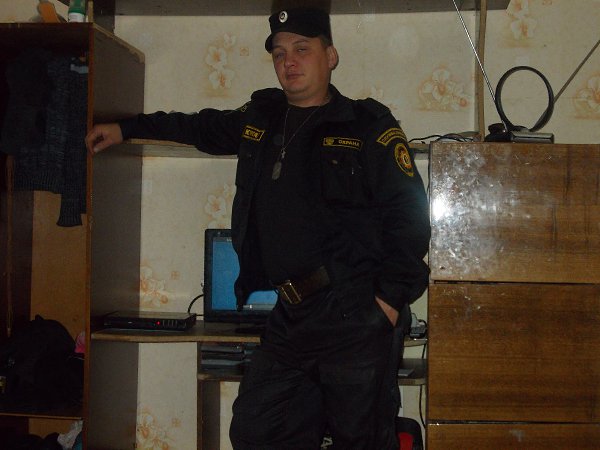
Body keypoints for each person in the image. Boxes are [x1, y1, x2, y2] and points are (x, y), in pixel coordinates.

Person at [86, 7, 430, 450]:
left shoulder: (367, 125)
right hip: (291, 313)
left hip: (354, 310)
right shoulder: (261, 118)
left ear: (331, 56)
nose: (289, 61)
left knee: (359, 439)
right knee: (257, 427)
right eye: (280, 53)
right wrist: (126, 127)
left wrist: (388, 301)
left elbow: (410, 214)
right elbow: (198, 126)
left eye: (302, 49)